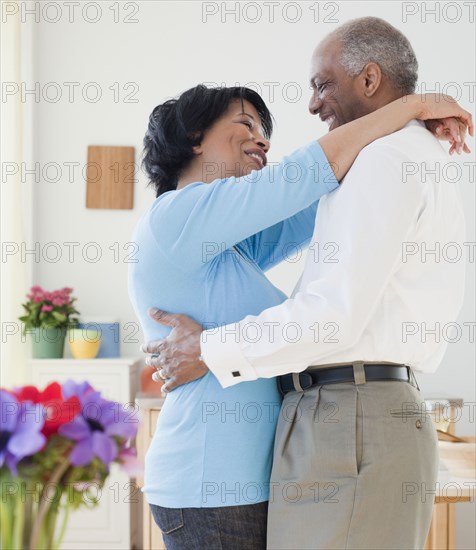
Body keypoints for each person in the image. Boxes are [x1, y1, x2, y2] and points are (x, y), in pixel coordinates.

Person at [140, 18, 473, 550]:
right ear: (194, 137)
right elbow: (304, 175)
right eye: (245, 124)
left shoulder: (233, 248)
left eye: (262, 128)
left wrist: (404, 125)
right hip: (211, 482)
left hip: (259, 475)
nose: (262, 138)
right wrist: (411, 108)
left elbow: (315, 192)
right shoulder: (175, 217)